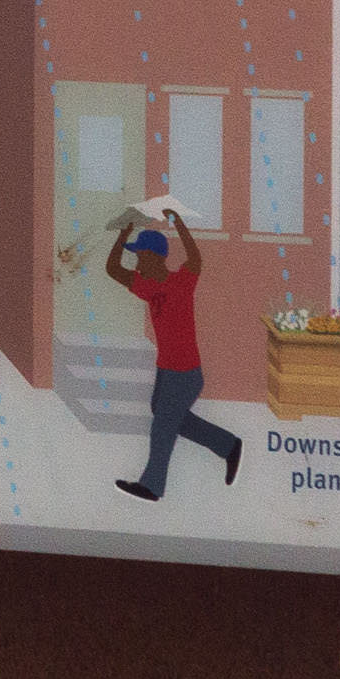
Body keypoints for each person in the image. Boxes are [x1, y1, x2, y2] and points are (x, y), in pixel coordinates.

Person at [106, 207, 241, 502]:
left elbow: (195, 259)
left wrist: (178, 223)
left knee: (163, 428)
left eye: (141, 256)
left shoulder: (181, 282)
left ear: (155, 257)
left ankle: (151, 487)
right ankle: (227, 444)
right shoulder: (147, 287)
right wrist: (123, 236)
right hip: (166, 369)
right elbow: (113, 270)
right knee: (167, 417)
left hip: (186, 374)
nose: (137, 262)